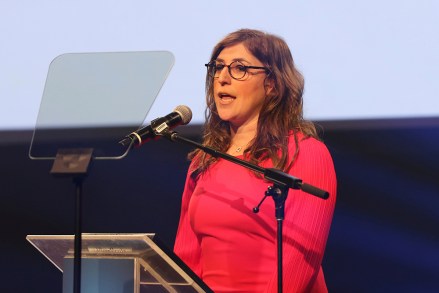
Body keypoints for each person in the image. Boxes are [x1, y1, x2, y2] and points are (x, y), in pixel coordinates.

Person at [173, 29, 337, 293]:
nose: (223, 78)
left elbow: (300, 259)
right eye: (218, 67)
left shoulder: (306, 153)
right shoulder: (204, 161)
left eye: (239, 68)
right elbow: (186, 257)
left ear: (271, 84)